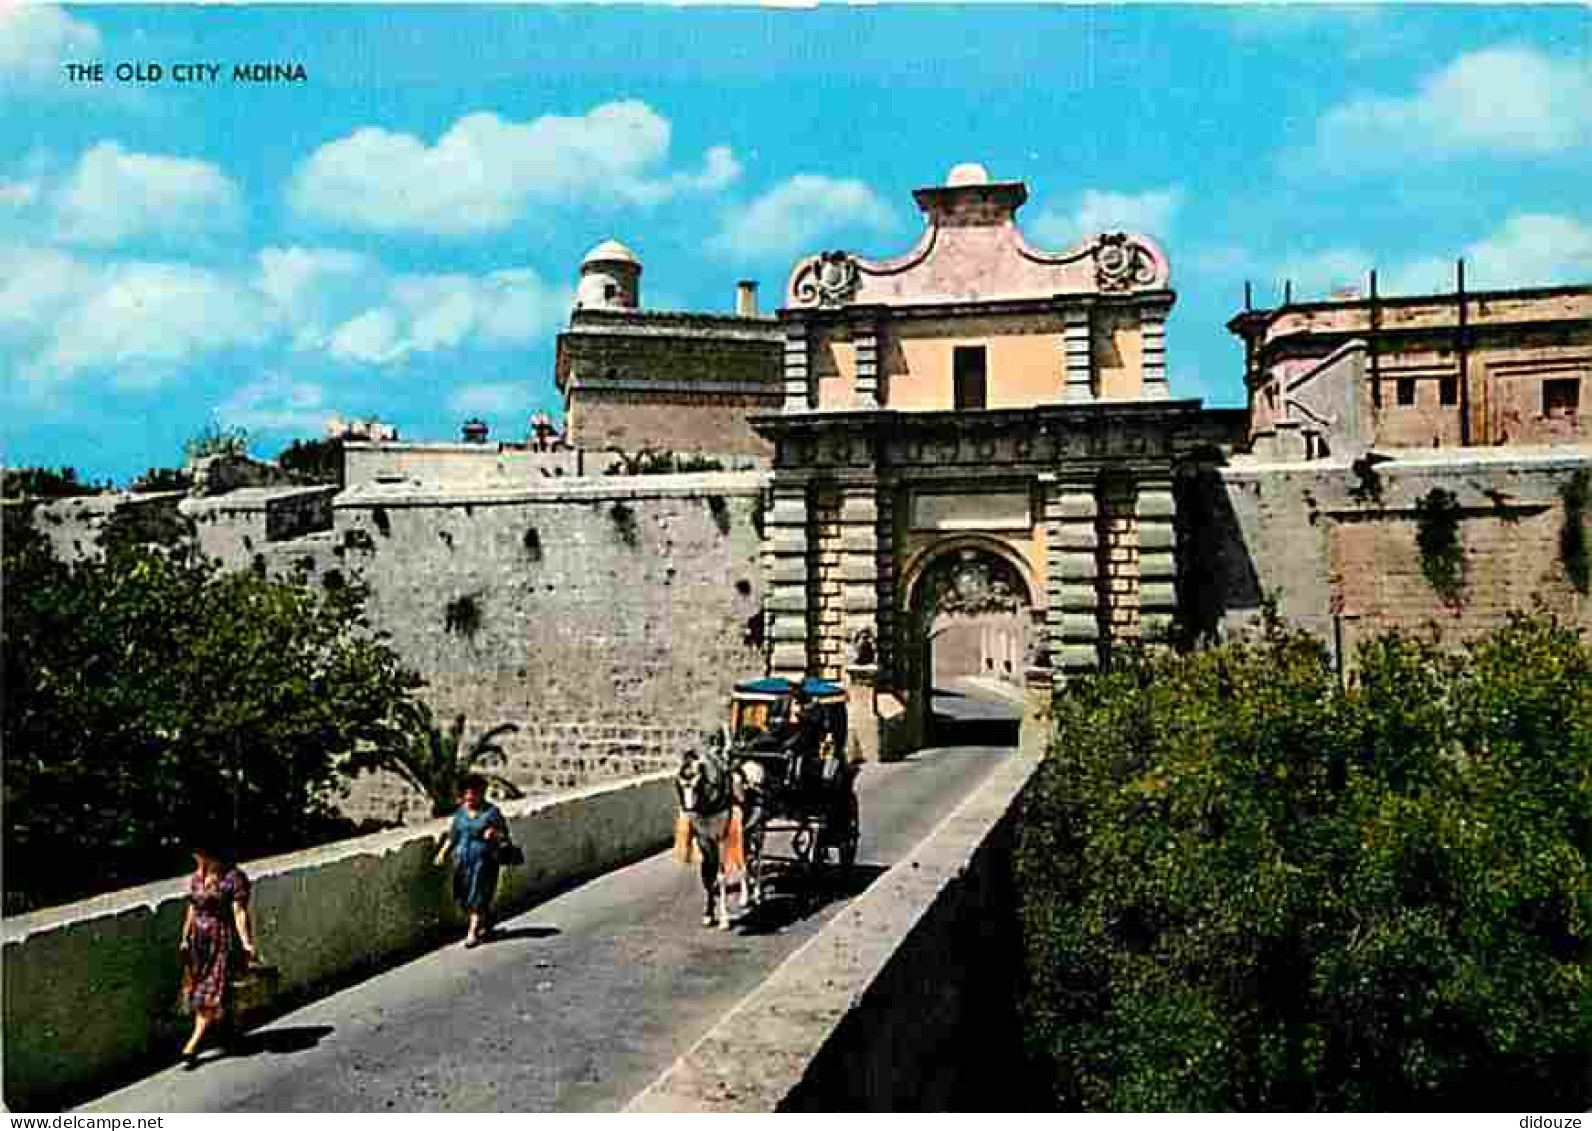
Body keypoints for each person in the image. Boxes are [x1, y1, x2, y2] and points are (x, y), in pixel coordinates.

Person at [178, 837, 258, 1067]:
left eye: (202, 856)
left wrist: (246, 943)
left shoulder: (233, 878)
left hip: (220, 942)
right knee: (211, 989)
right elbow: (192, 908)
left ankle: (192, 1044)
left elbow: (239, 912)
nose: (198, 861)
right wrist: (185, 937)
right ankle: (231, 1030)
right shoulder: (197, 877)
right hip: (198, 942)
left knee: (209, 990)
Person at [434, 774, 509, 948]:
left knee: (478, 895)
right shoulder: (461, 813)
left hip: (484, 862)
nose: (469, 797)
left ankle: (472, 933)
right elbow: (453, 836)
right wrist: (442, 854)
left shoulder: (491, 813)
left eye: (473, 793)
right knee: (463, 896)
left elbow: (504, 836)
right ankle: (486, 924)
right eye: (467, 793)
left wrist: (494, 835)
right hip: (463, 862)